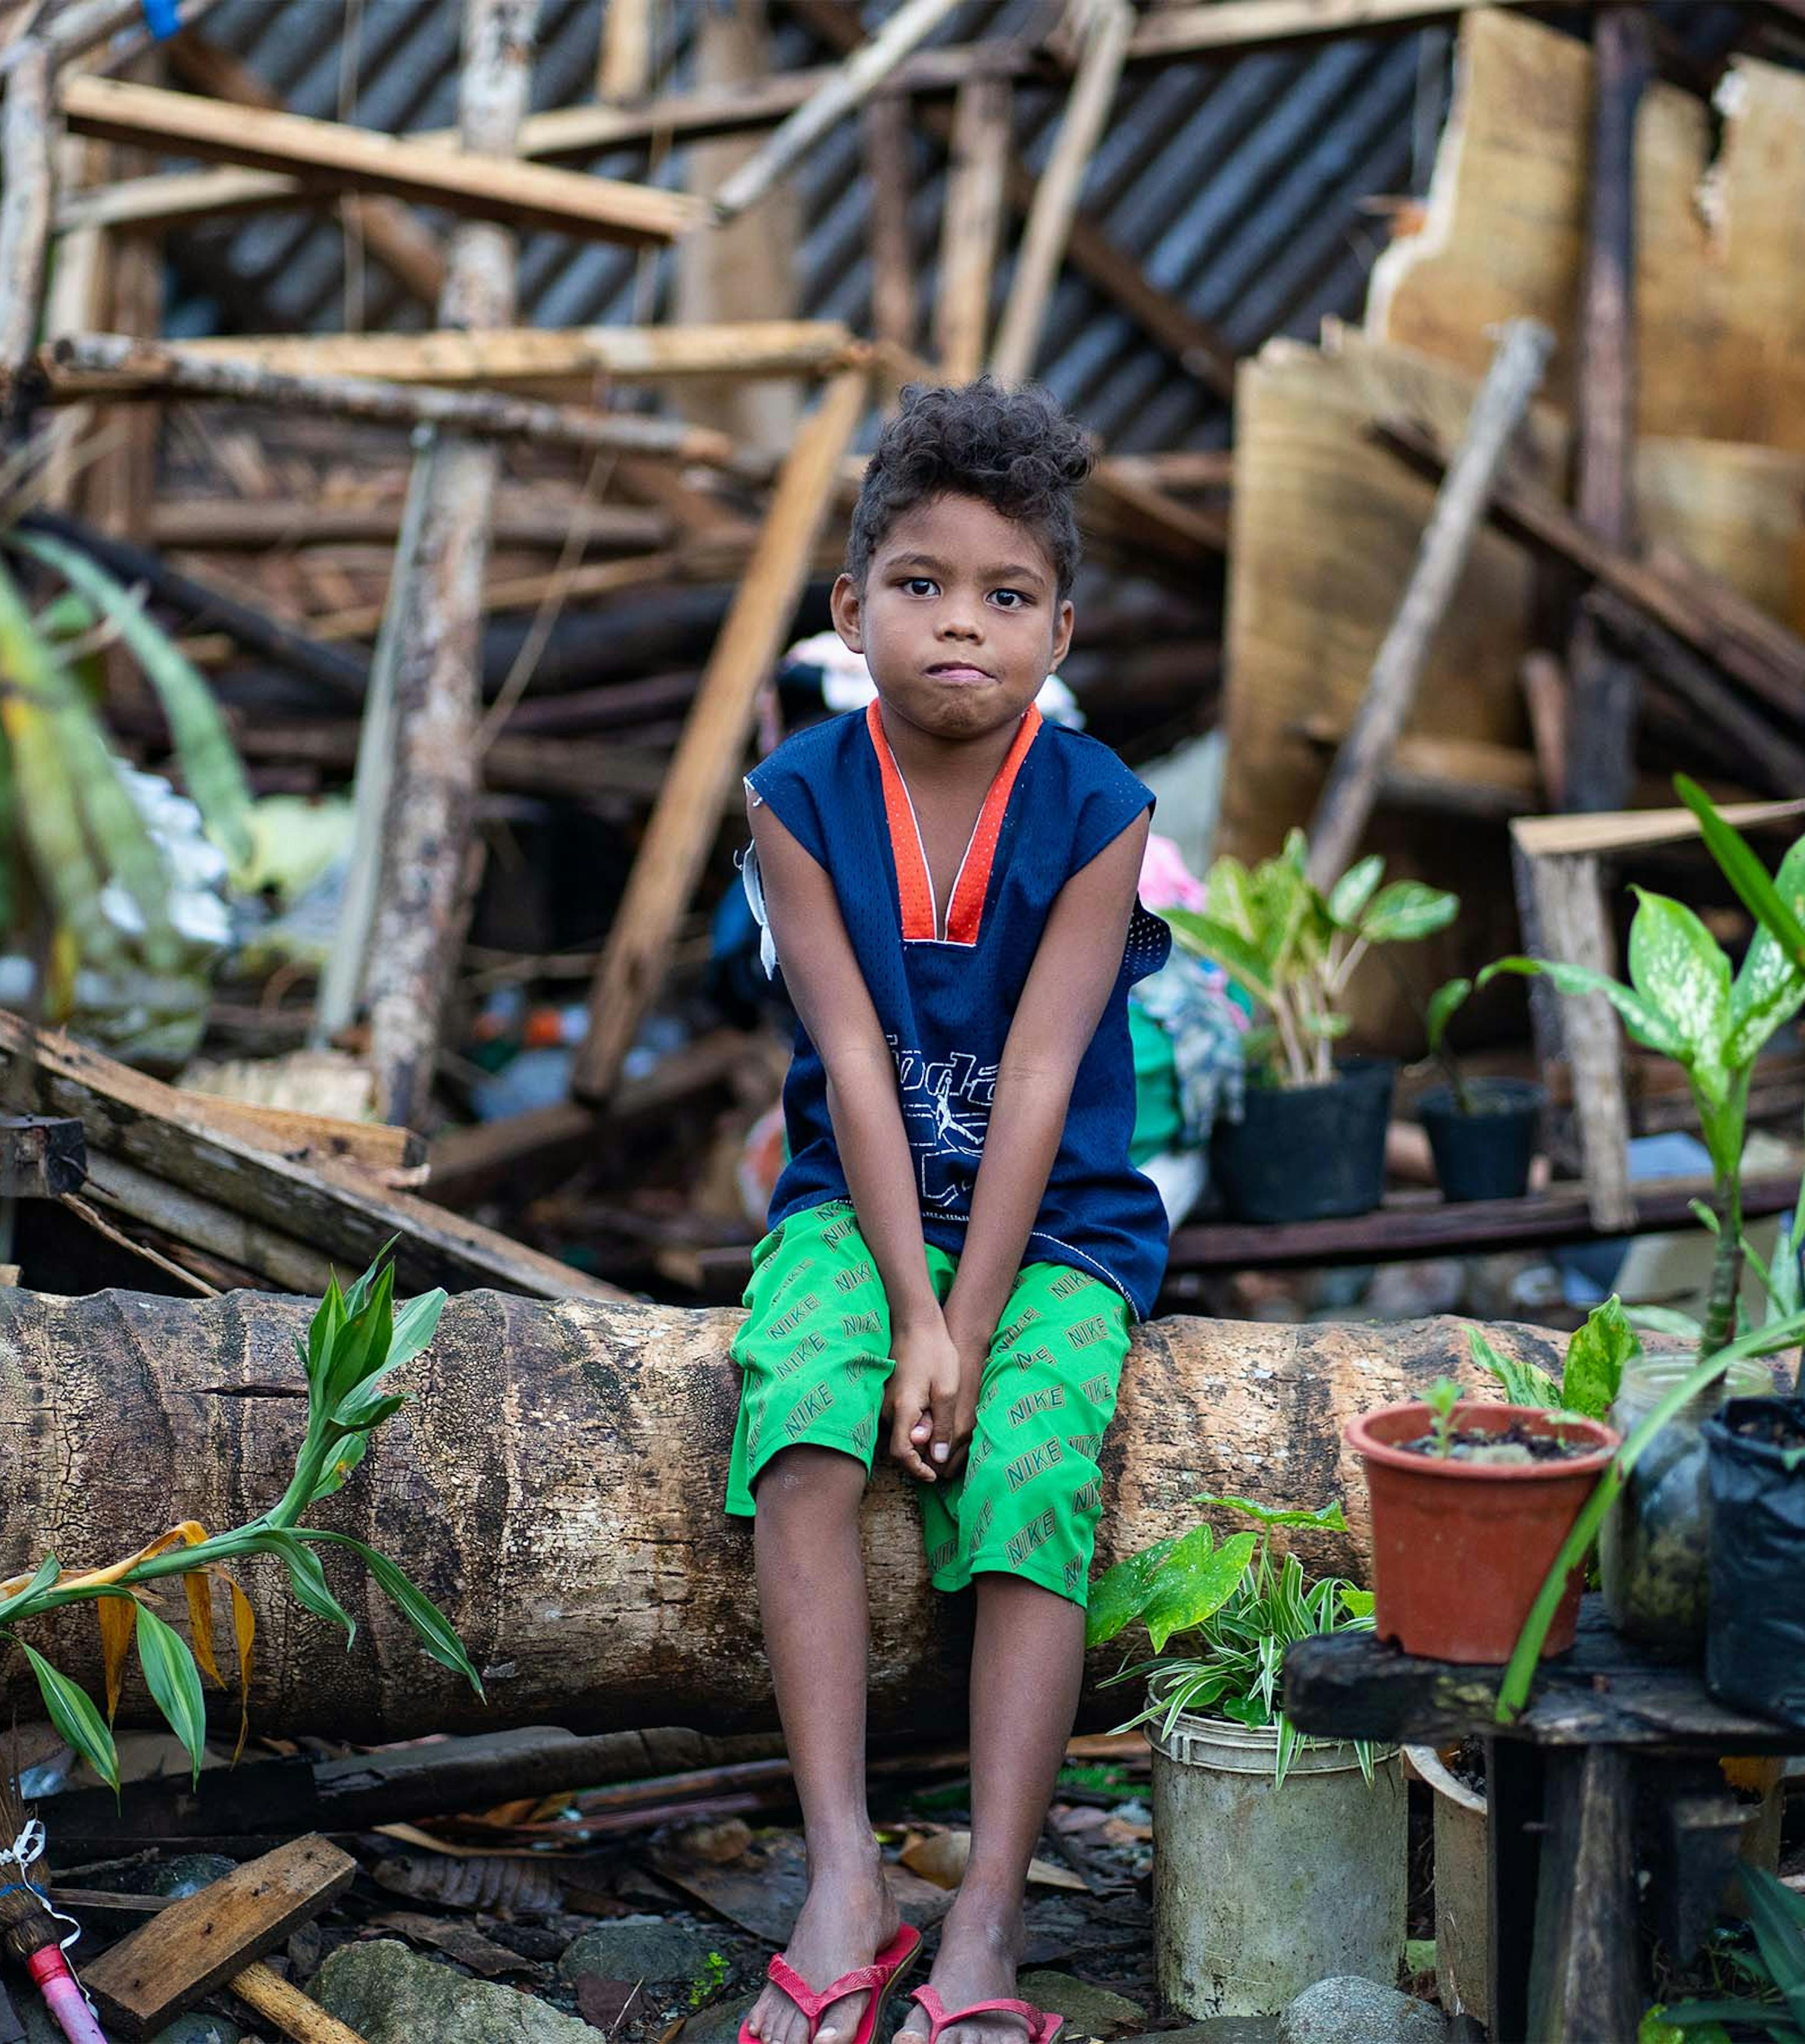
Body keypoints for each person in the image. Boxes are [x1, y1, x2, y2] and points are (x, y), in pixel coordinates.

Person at [727, 381, 1168, 2044]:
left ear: (1061, 626)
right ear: (848, 612)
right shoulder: (797, 795)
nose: (959, 627)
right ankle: (845, 1868)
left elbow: (1043, 1089)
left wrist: (971, 1337)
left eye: (1004, 596)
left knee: (1038, 1455)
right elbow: (848, 1052)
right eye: (917, 586)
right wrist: (906, 1320)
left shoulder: (1100, 811)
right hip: (857, 1205)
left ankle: (987, 1912)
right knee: (802, 1414)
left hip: (1062, 1232)